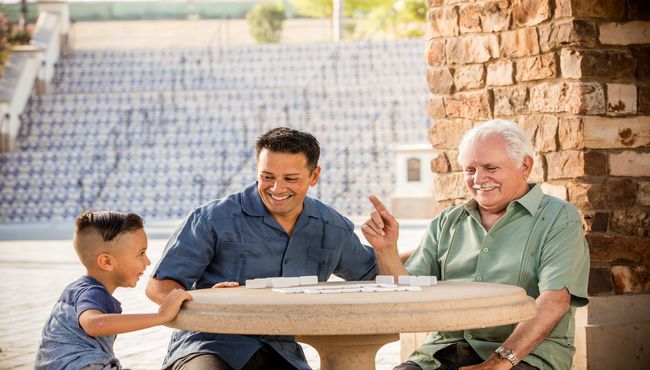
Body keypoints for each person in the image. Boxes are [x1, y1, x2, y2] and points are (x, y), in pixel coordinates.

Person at [362, 119, 590, 370]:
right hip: (444, 351)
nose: (479, 179)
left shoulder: (559, 218)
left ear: (525, 166)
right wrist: (386, 249)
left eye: (491, 168)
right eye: (470, 170)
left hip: (528, 355)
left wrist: (498, 363)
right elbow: (405, 297)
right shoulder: (447, 221)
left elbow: (554, 300)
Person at [146, 127, 377, 370]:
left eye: (290, 179)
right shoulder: (212, 218)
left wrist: (390, 248)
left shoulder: (332, 226)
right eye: (267, 177)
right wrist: (204, 300)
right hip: (208, 344)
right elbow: (159, 286)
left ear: (314, 176)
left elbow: (373, 272)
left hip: (282, 351)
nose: (277, 188)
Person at [35, 210, 192, 370]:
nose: (148, 261)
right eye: (141, 254)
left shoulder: (78, 289)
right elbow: (94, 324)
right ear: (107, 262)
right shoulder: (92, 292)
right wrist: (162, 316)